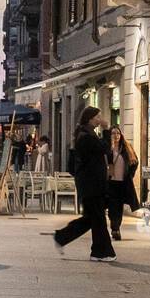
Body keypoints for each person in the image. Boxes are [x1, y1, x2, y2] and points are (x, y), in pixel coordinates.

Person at [53, 107, 116, 262]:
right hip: (91, 185)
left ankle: (63, 237)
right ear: (90, 118)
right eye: (98, 116)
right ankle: (102, 252)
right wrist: (107, 130)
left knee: (92, 218)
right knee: (98, 219)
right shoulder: (86, 136)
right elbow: (105, 149)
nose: (100, 119)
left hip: (90, 184)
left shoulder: (86, 134)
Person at [106, 125, 141, 242]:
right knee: (112, 207)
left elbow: (135, 161)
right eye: (113, 133)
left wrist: (130, 175)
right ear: (110, 135)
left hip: (122, 183)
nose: (115, 136)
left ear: (121, 135)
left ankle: (116, 229)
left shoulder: (126, 148)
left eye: (118, 133)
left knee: (119, 207)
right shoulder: (107, 149)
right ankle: (114, 227)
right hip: (110, 182)